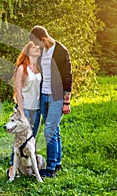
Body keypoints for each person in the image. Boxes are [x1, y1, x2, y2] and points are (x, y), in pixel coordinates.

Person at [29, 26, 72, 178]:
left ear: (43, 39)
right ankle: (58, 163)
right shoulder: (43, 52)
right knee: (55, 130)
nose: (36, 47)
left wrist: (66, 102)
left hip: (57, 96)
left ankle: (51, 167)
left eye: (37, 43)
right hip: (44, 95)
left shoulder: (61, 51)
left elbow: (67, 77)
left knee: (49, 131)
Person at [8, 41, 43, 177]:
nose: (36, 48)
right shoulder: (23, 68)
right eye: (33, 47)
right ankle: (12, 168)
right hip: (25, 109)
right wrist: (21, 111)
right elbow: (17, 89)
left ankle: (29, 168)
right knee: (19, 138)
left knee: (30, 139)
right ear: (27, 51)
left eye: (38, 47)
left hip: (37, 109)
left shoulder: (39, 68)